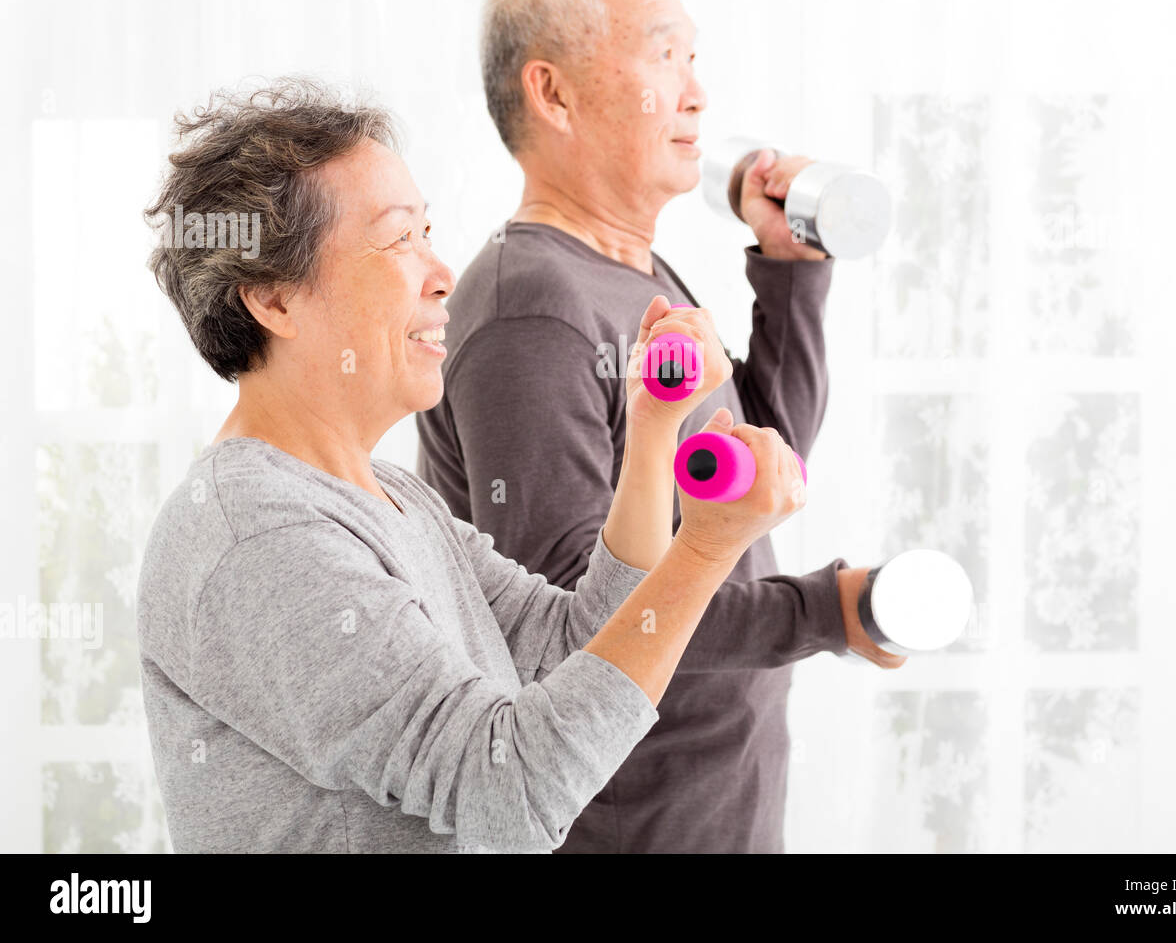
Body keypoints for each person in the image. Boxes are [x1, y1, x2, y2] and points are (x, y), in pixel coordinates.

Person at [136, 78, 805, 853]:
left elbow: (574, 644)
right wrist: (707, 549)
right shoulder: (259, 537)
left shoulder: (390, 498)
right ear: (274, 300)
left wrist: (651, 434)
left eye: (428, 231)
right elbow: (509, 791)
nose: (443, 272)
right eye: (397, 241)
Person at [417, 0, 905, 855]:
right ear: (553, 95)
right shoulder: (531, 307)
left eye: (693, 59)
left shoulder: (634, 276)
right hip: (621, 827)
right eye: (663, 55)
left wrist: (791, 274)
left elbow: (765, 460)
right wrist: (821, 613)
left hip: (720, 803)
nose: (695, 94)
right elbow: (570, 617)